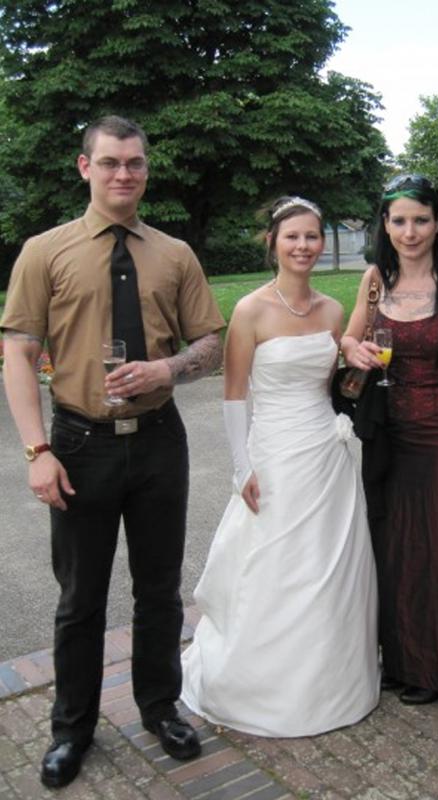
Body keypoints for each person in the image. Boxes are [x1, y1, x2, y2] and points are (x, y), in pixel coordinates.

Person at [0, 115, 226, 789]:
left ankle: (160, 709)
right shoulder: (45, 252)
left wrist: (170, 371)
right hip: (78, 443)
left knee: (159, 591)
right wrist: (36, 450)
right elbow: (18, 354)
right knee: (80, 600)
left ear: (146, 170)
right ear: (84, 168)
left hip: (160, 444)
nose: (123, 173)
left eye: (134, 163)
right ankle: (72, 729)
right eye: (110, 163)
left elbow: (210, 344)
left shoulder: (175, 254)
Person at [180, 196, 380, 737]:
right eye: (292, 236)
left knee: (327, 567)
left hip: (326, 455)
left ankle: (331, 681)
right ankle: (262, 685)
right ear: (272, 241)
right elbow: (234, 394)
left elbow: (333, 385)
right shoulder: (248, 311)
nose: (303, 246)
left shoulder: (334, 312)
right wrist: (240, 466)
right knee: (276, 568)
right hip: (273, 455)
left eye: (313, 236)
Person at [341, 174, 438, 705]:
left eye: (421, 220)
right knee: (395, 544)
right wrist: (351, 349)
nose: (410, 231)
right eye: (400, 220)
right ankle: (402, 659)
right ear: (386, 224)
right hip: (387, 432)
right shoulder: (375, 279)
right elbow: (350, 336)